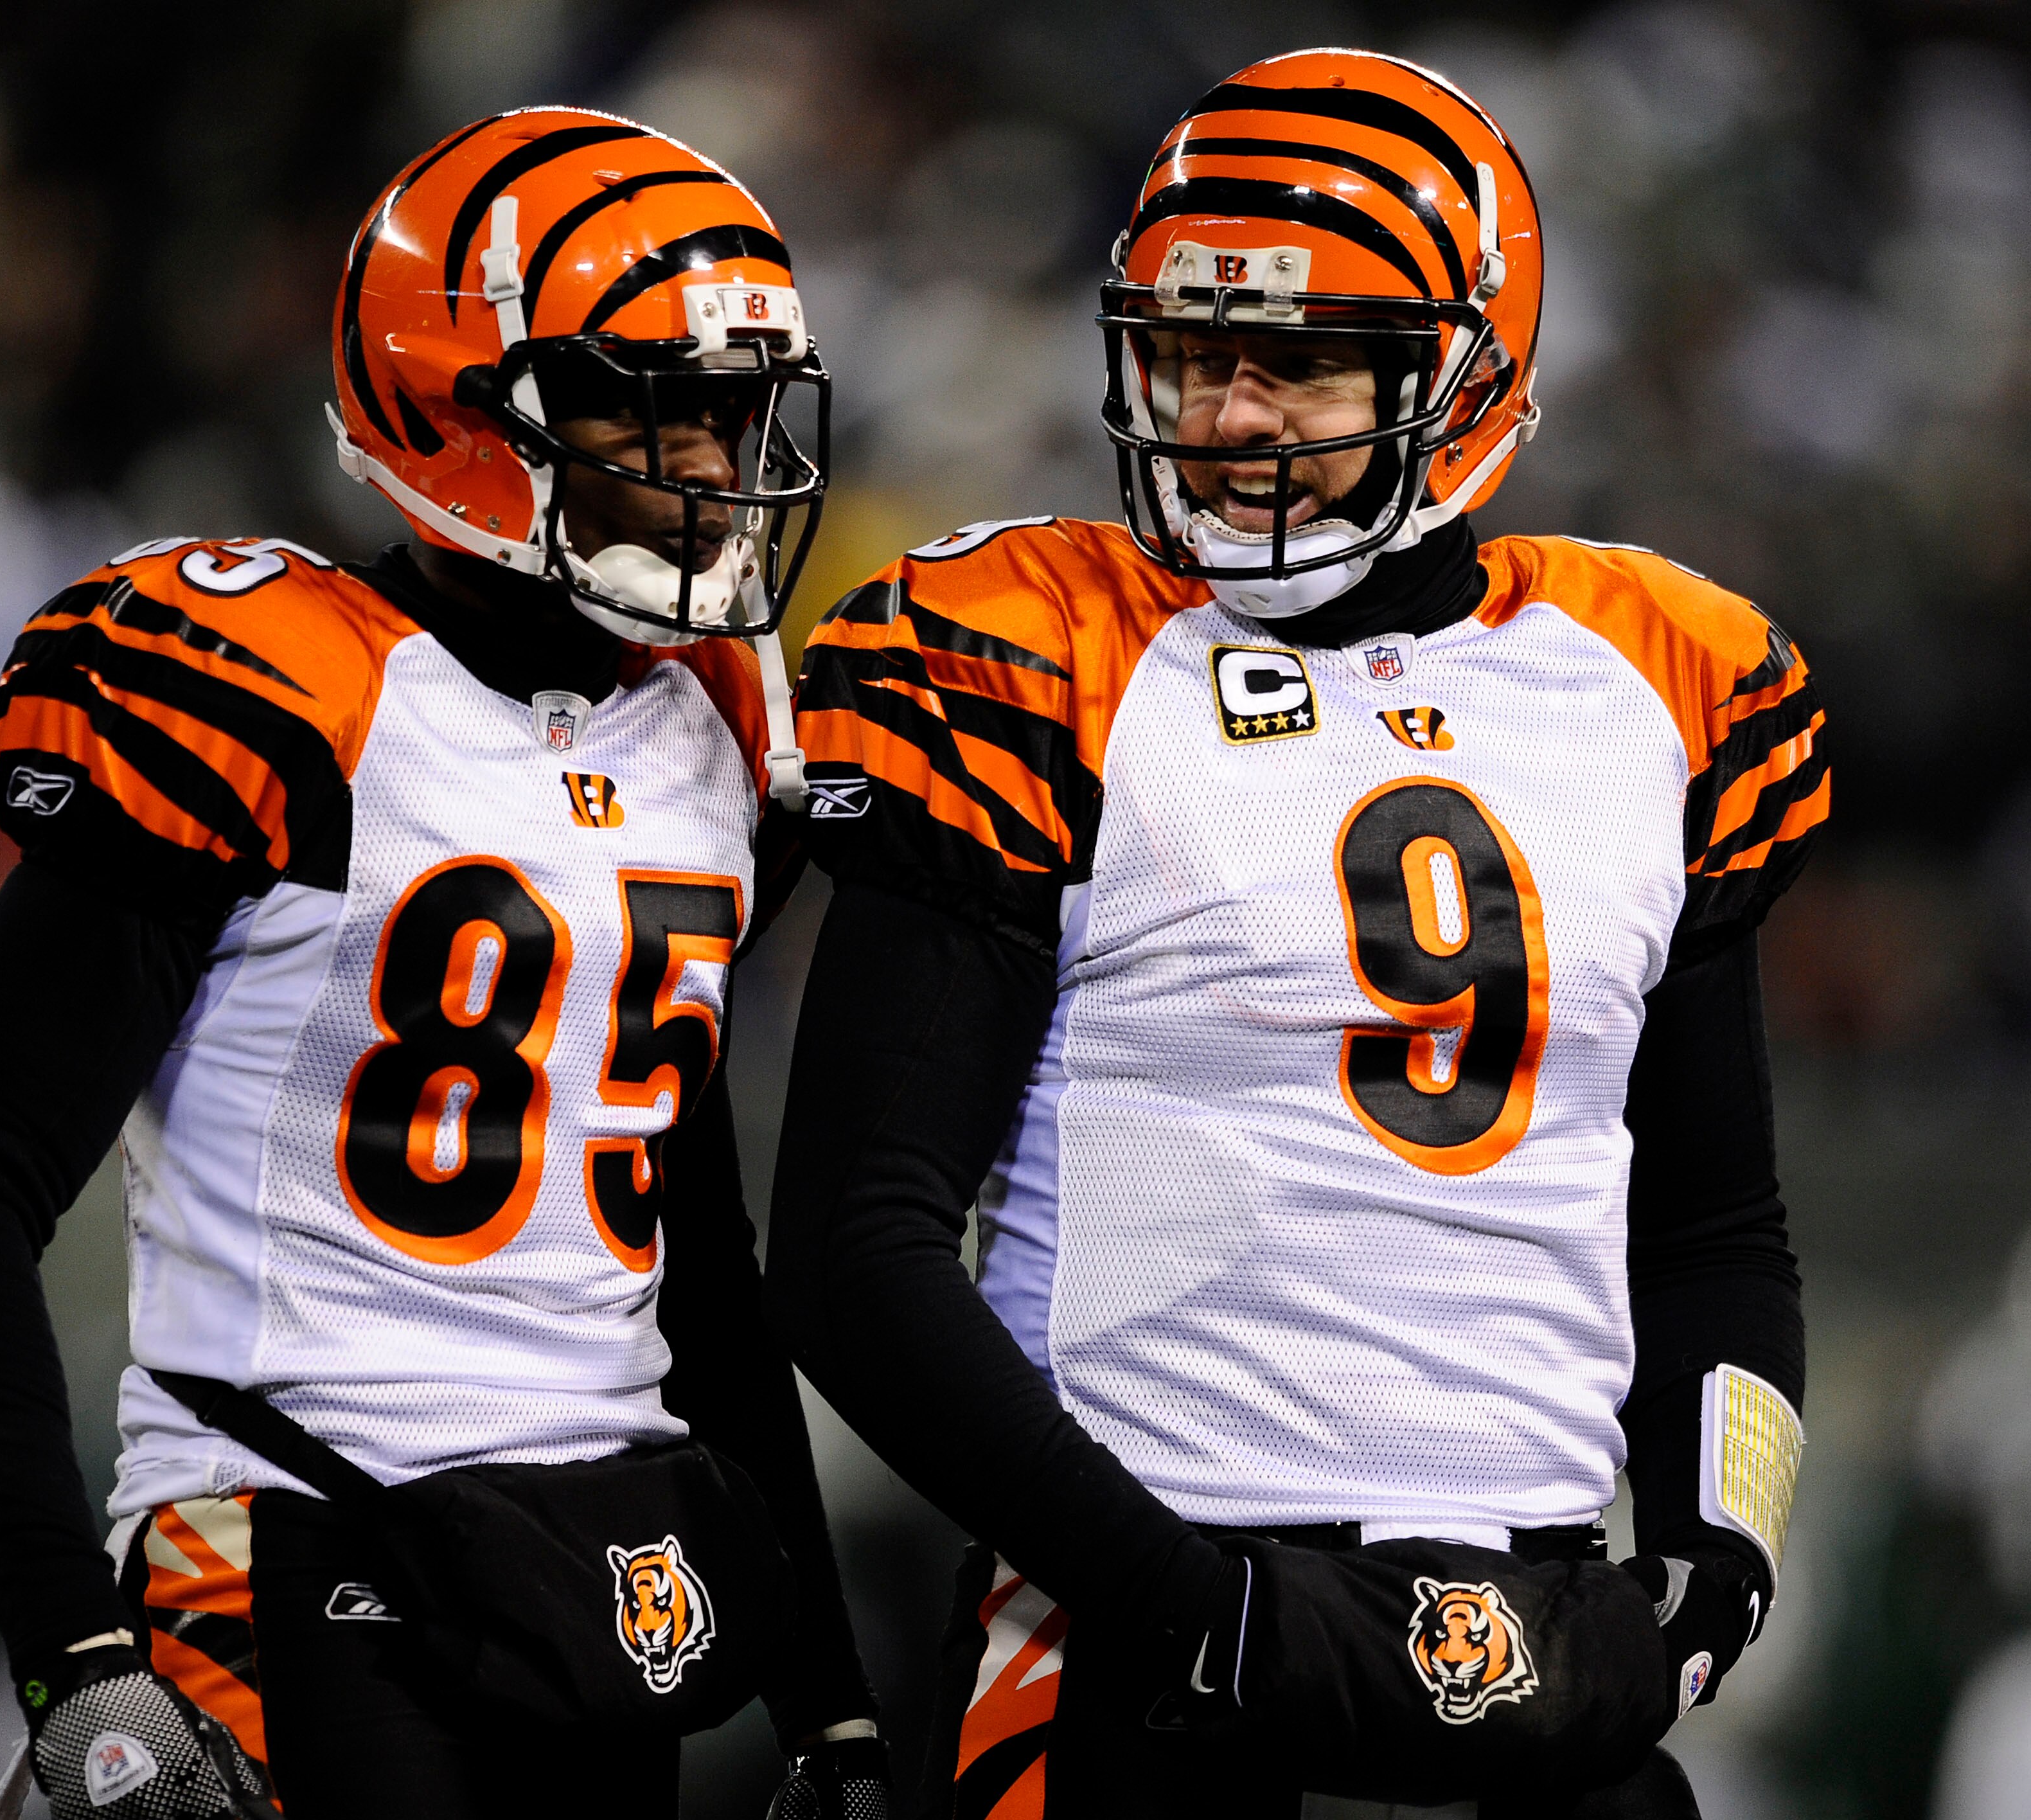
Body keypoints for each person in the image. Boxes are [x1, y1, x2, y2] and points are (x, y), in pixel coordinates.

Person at [768, 48, 1824, 1819]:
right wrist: (1198, 1608)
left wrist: (1720, 1565)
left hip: (1541, 1646)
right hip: (1133, 1646)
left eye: (1304, 360)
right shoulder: (1030, 649)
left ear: (1467, 366)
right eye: (1196, 354)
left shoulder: (1663, 677)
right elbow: (852, 1252)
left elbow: (1717, 1231)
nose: (1232, 416)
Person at [0, 109, 889, 1820]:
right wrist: (73, 1660)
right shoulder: (273, 687)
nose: (718, 467)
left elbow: (693, 1259)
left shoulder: (712, 733)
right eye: (656, 409)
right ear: (462, 406)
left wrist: (829, 1709)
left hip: (604, 1566)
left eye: (735, 411)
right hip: (289, 1535)